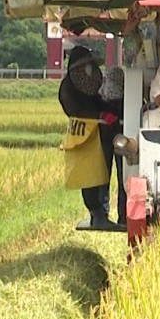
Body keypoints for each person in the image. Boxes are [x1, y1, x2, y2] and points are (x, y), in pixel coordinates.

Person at [59, 46, 126, 228]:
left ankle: (121, 216)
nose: (89, 69)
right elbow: (75, 110)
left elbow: (98, 102)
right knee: (93, 176)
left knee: (111, 173)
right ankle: (98, 215)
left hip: (101, 135)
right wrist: (99, 116)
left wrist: (112, 111)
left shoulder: (89, 86)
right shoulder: (68, 87)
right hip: (85, 138)